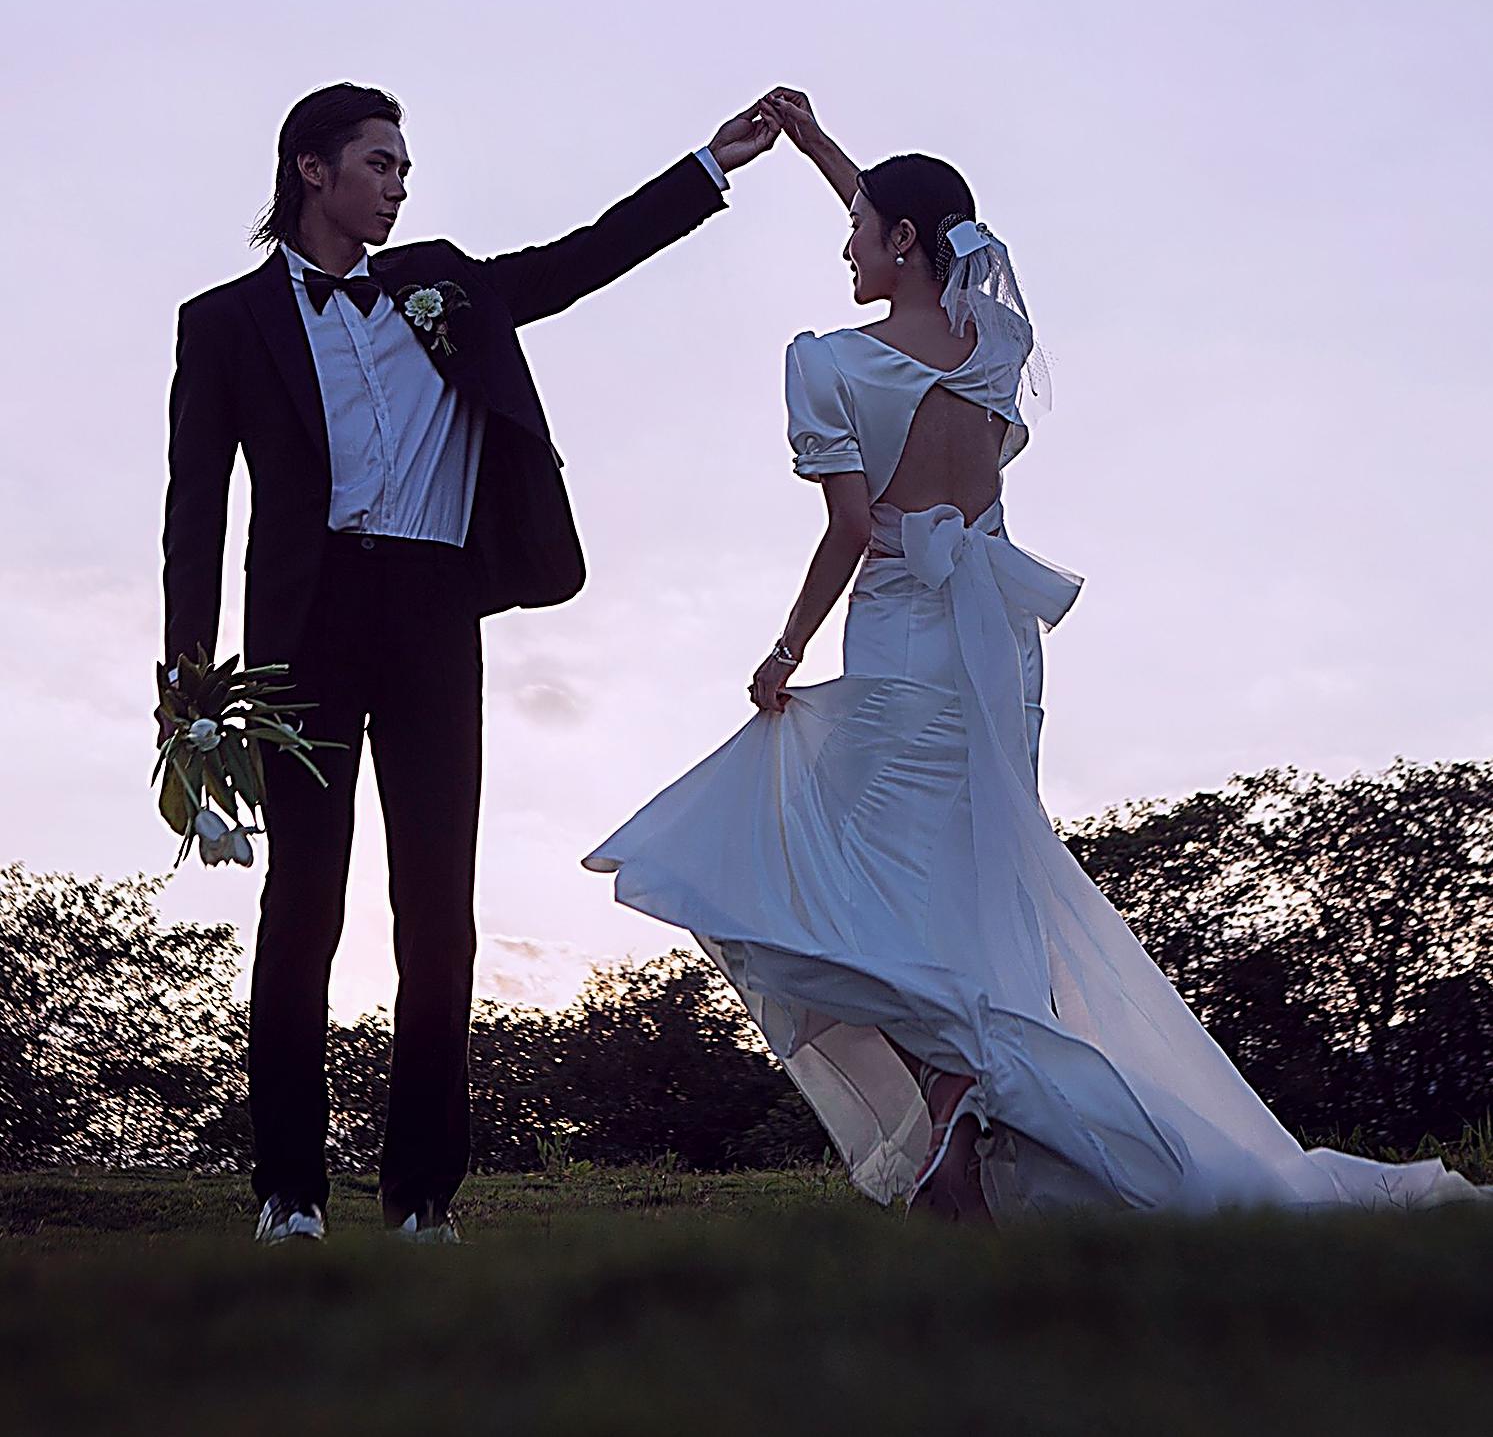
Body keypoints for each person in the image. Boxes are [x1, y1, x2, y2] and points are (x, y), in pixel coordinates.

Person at [586, 89, 1492, 1222]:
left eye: (856, 229)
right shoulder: (995, 342)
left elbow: (852, 527)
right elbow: (924, 240)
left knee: (857, 892)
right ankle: (960, 1120)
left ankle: (955, 1111)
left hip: (901, 639)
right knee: (968, 888)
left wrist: (782, 649)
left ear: (899, 239)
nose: (843, 243)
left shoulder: (827, 365)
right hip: (992, 649)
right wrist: (821, 149)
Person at [161, 79, 780, 1244]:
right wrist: (189, 686)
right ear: (312, 170)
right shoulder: (224, 322)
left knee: (438, 911)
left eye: (404, 168)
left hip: (435, 613)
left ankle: (422, 1197)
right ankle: (288, 1192)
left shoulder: (443, 284)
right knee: (301, 902)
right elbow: (194, 514)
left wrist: (710, 166)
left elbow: (584, 258)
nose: (398, 186)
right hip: (304, 630)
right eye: (379, 163)